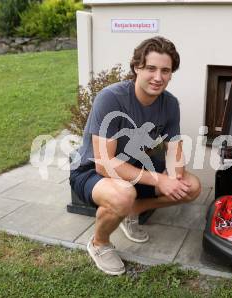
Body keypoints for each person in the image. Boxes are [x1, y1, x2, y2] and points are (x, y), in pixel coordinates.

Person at [70, 36, 201, 275]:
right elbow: (104, 164)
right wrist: (160, 180)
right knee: (123, 194)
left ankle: (134, 211)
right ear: (136, 67)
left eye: (165, 70)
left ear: (172, 74)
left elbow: (175, 149)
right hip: (91, 171)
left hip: (135, 166)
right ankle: (99, 243)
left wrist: (174, 176)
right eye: (151, 68)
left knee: (190, 186)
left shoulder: (170, 104)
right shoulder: (111, 98)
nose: (158, 77)